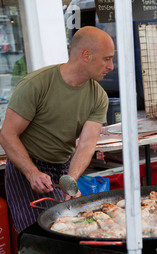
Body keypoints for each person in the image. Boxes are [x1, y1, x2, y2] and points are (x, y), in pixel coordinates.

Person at [0, 26, 115, 233]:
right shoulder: (36, 84)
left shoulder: (98, 96)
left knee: (67, 231)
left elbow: (87, 144)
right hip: (27, 164)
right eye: (106, 59)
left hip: (64, 167)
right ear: (86, 55)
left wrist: (71, 179)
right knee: (37, 238)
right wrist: (32, 173)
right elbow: (7, 135)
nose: (111, 66)